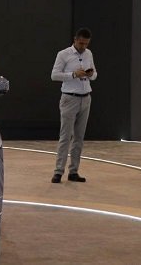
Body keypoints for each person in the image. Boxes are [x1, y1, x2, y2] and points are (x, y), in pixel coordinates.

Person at [50, 28, 97, 183]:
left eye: (86, 44)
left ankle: (73, 171)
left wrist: (91, 74)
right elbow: (54, 75)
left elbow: (95, 75)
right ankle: (58, 171)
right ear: (75, 39)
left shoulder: (89, 54)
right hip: (69, 98)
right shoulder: (63, 54)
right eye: (81, 43)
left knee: (79, 138)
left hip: (86, 98)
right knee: (65, 136)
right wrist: (73, 74)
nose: (83, 46)